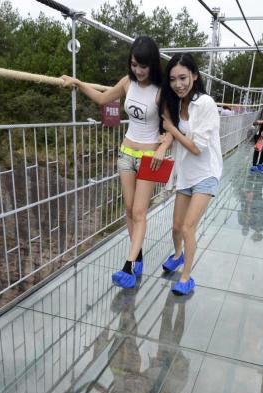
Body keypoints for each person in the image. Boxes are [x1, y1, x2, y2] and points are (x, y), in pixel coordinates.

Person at [60, 36, 171, 289]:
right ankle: (138, 253)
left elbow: (171, 126)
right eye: (134, 64)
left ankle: (129, 266)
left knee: (140, 211)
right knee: (129, 209)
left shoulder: (161, 91)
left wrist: (164, 146)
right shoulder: (127, 83)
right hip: (126, 153)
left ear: (153, 64)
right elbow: (102, 99)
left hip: (148, 158)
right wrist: (78, 83)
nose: (138, 71)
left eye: (143, 66)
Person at [157, 53, 222, 296]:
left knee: (187, 227)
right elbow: (174, 131)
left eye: (183, 77)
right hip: (185, 173)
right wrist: (166, 140)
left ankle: (186, 277)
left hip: (206, 173)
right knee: (175, 226)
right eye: (173, 79)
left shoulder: (205, 103)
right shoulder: (175, 102)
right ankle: (177, 255)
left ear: (194, 76)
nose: (178, 84)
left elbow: (196, 147)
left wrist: (171, 128)